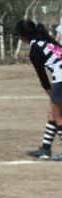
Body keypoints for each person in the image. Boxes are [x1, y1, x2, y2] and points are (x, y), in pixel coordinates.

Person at [16, 20, 62, 161]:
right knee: (52, 113)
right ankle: (45, 149)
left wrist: (51, 95)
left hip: (60, 79)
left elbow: (43, 79)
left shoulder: (35, 49)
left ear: (23, 36)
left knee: (59, 117)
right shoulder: (47, 41)